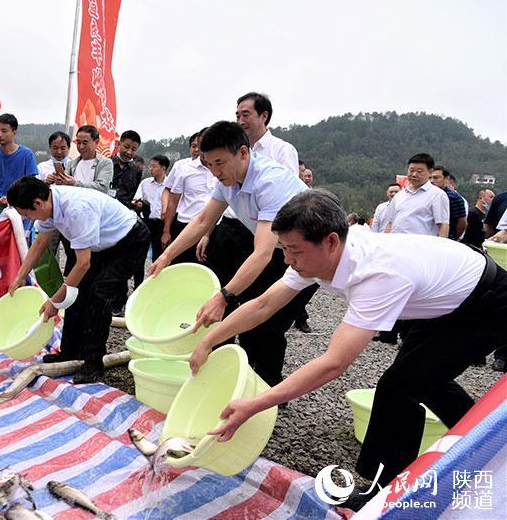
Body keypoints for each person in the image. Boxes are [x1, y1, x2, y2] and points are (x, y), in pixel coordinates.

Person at [191, 189, 506, 509]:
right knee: (423, 378)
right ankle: (484, 443)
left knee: (399, 388)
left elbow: (333, 363)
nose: (287, 259)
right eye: (284, 249)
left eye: (294, 250)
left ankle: (390, 494)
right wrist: (208, 340)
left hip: (484, 302)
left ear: (330, 241)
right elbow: (264, 304)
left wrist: (256, 404)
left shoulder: (375, 274)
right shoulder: (319, 254)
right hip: (443, 295)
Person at [150, 120, 307, 387]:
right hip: (280, 250)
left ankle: (268, 390)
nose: (214, 172)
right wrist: (167, 256)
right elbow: (203, 221)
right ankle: (241, 385)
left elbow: (262, 254)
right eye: (209, 164)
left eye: (219, 163)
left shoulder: (270, 182)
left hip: (306, 256)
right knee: (248, 319)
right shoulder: (227, 180)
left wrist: (223, 297)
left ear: (243, 152)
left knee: (268, 325)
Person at [7, 177, 150, 383]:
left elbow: (83, 264)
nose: (27, 217)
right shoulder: (48, 204)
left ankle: (93, 363)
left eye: (26, 214)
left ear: (37, 203)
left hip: (130, 240)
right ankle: (70, 352)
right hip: (101, 244)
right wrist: (20, 277)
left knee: (99, 295)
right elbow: (39, 243)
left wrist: (54, 302)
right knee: (75, 294)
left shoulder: (76, 209)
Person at [161, 129, 214, 263]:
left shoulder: (222, 169)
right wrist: (166, 231)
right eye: (200, 146)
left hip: (213, 229)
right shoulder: (184, 169)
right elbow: (173, 202)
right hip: (186, 226)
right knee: (182, 267)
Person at [0, 113, 38, 217]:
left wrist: (12, 198)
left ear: (14, 132)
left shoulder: (26, 154)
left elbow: (31, 184)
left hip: (21, 207)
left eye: (4, 131)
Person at [383, 153, 449, 237]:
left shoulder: (437, 195)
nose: (414, 174)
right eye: (411, 171)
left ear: (430, 172)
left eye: (419, 171)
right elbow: (390, 223)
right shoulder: (399, 195)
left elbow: (443, 225)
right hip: (396, 243)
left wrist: (441, 244)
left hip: (421, 244)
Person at [235, 92, 299, 176]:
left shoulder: (283, 151)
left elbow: (289, 183)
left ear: (264, 116)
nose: (240, 122)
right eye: (238, 116)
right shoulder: (235, 151)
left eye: (245, 115)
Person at [54, 125, 113, 193]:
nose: (81, 147)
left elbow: (102, 188)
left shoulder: (105, 163)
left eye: (85, 143)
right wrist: (59, 180)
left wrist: (75, 184)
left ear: (96, 142)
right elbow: (65, 186)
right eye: (78, 143)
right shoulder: (72, 164)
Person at [132, 154, 169, 261]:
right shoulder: (145, 183)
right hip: (146, 222)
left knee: (159, 254)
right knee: (140, 253)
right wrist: (138, 204)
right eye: (150, 166)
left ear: (163, 168)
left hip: (162, 223)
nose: (150, 169)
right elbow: (136, 199)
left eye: (154, 166)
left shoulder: (170, 185)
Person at [429, 166, 466, 240]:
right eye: (430, 178)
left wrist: (454, 237)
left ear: (446, 179)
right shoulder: (427, 195)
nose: (432, 181)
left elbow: (462, 223)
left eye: (436, 178)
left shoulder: (453, 197)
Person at [110, 130, 143, 207]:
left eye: (133, 149)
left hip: (122, 210)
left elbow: (132, 194)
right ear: (119, 144)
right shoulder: (106, 163)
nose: (129, 152)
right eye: (126, 147)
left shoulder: (137, 171)